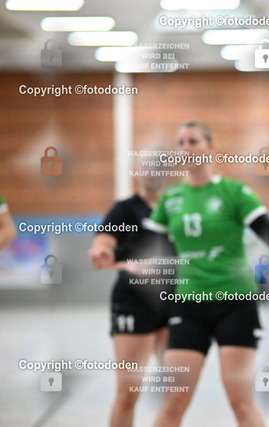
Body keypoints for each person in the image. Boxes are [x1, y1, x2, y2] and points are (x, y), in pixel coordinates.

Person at [146, 121, 269, 427]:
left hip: (235, 303)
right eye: (181, 143)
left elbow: (268, 230)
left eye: (193, 141)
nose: (186, 148)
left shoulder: (233, 192)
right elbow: (152, 246)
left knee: (241, 401)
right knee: (173, 402)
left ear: (210, 147)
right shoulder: (171, 198)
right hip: (189, 305)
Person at [88, 154, 175, 427]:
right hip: (134, 304)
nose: (151, 172)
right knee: (128, 392)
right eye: (145, 166)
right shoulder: (124, 210)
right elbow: (100, 251)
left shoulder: (176, 207)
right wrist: (123, 262)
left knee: (175, 392)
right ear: (136, 171)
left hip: (172, 300)